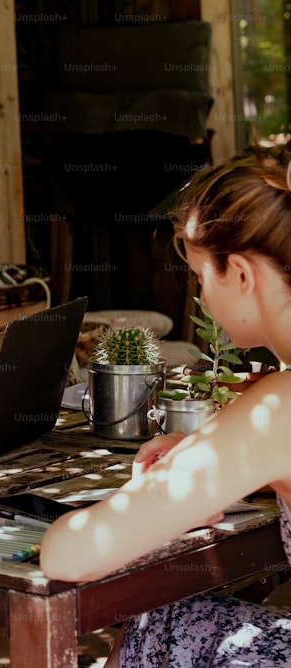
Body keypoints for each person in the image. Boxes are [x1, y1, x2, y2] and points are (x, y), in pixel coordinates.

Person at [40, 141, 291, 667]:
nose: (201, 297)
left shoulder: (278, 404)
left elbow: (68, 556)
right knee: (168, 619)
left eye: (202, 277)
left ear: (243, 275)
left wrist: (171, 493)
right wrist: (213, 458)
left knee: (161, 621)